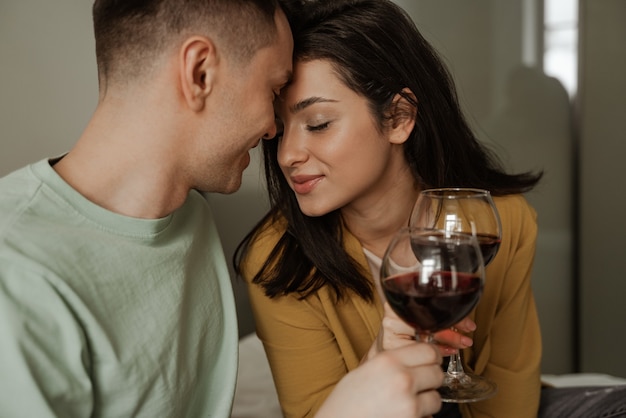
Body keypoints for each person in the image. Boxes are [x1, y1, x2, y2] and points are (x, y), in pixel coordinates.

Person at [0, 1, 444, 417]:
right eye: (272, 89)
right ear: (200, 73)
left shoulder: (188, 216)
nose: (273, 132)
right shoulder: (17, 280)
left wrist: (377, 367)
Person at [234, 0, 544, 417]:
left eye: (319, 123)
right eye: (280, 130)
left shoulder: (502, 222)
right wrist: (382, 363)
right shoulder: (275, 262)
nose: (287, 154)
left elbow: (510, 396)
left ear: (399, 116)